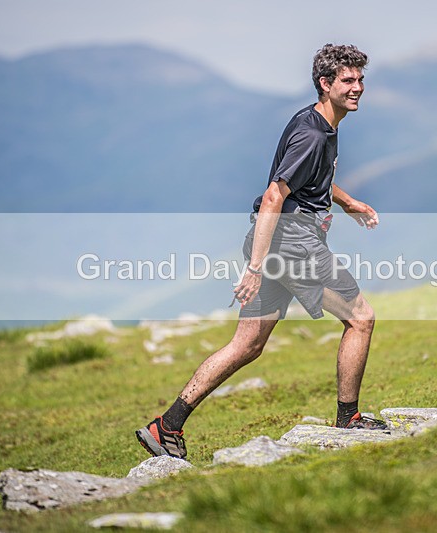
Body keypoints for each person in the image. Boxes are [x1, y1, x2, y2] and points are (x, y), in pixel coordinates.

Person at [136, 44, 386, 460]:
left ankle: (166, 426)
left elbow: (307, 180)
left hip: (278, 243)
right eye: (348, 80)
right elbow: (274, 195)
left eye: (360, 79)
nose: (358, 87)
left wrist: (347, 202)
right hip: (292, 245)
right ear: (325, 84)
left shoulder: (316, 121)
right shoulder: (312, 133)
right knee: (361, 318)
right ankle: (349, 420)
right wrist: (256, 268)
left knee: (247, 344)